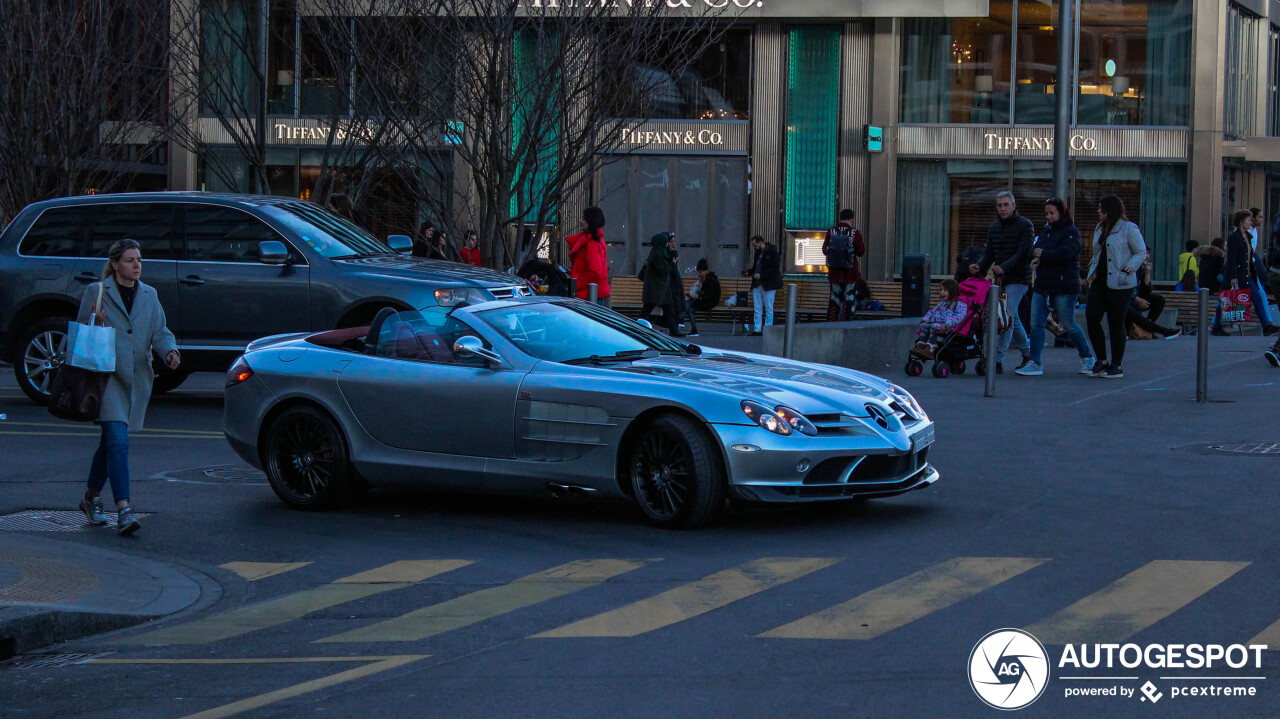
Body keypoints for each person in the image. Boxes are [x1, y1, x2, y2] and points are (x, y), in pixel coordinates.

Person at [75, 239, 180, 536]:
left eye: (139, 260)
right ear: (116, 264)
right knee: (119, 441)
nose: (137, 265)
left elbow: (160, 331)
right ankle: (124, 509)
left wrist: (170, 352)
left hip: (134, 379)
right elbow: (82, 334)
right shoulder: (97, 292)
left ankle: (90, 498)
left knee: (110, 442)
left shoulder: (149, 294)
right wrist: (96, 322)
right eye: (130, 260)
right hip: (105, 377)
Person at [1016, 198, 1095, 377]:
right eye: (1047, 213)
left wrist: (1044, 254)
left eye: (1052, 213)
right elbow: (1035, 249)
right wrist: (1036, 255)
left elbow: (1067, 253)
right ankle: (1035, 362)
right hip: (1043, 284)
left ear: (1061, 212)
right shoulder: (1046, 231)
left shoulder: (1071, 231)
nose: (1049, 217)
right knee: (1036, 324)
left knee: (1068, 324)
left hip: (1064, 285)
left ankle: (1087, 357)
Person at [1083, 195, 1147, 379]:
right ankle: (1101, 360)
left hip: (1120, 282)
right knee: (1092, 317)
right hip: (1100, 280)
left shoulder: (1128, 228)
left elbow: (1140, 251)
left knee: (1115, 322)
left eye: (1100, 208)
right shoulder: (1100, 228)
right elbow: (1098, 252)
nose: (1097, 211)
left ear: (1108, 210)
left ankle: (1116, 364)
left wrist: (1129, 268)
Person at [971, 191, 1034, 373]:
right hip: (1001, 279)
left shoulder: (1025, 226)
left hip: (1019, 279)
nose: (1003, 208)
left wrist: (1004, 267)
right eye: (999, 205)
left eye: (1006, 204)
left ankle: (996, 360)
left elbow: (1023, 253)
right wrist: (979, 267)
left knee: (1005, 319)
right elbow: (989, 253)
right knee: (1011, 318)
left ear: (1014, 206)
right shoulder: (995, 227)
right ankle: (1028, 353)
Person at [822, 208, 866, 321]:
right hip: (850, 273)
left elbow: (824, 250)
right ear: (851, 219)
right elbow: (861, 251)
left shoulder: (831, 232)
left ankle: (830, 324)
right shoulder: (855, 233)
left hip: (834, 274)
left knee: (834, 299)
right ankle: (845, 324)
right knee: (848, 299)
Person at [1217, 210, 1255, 336]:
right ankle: (1217, 326)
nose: (1250, 222)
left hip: (1245, 273)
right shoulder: (1234, 237)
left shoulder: (1248, 237)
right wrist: (1233, 276)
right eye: (1248, 220)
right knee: (1225, 298)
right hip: (1235, 274)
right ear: (1241, 222)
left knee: (1226, 299)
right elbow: (1232, 257)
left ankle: (1217, 325)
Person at [565, 206, 611, 306]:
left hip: (588, 297)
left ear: (590, 221)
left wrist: (575, 284)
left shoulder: (591, 244)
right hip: (590, 295)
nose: (580, 221)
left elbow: (594, 272)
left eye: (583, 218)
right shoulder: (595, 241)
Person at [1126, 255, 1181, 339]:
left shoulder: (1141, 270)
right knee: (1135, 307)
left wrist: (1147, 273)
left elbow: (1147, 291)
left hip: (1138, 297)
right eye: (1145, 254)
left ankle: (1148, 329)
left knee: (1158, 300)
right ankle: (1164, 331)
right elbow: (1123, 289)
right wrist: (1137, 299)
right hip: (1127, 299)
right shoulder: (1128, 266)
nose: (1147, 257)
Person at [911, 279, 967, 359]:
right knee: (925, 326)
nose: (942, 292)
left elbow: (959, 317)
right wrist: (925, 319)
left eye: (945, 290)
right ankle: (921, 346)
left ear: (952, 291)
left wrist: (947, 323)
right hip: (938, 323)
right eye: (940, 290)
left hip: (948, 326)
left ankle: (931, 348)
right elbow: (932, 312)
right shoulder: (942, 304)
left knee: (933, 327)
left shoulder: (959, 304)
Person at [641, 232, 682, 335]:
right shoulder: (657, 254)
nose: (667, 244)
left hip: (660, 289)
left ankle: (674, 331)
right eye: (667, 242)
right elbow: (663, 270)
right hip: (657, 289)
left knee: (668, 310)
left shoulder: (658, 252)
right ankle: (638, 327)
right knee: (647, 310)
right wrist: (673, 263)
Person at [742, 235, 782, 336]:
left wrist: (761, 275)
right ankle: (758, 329)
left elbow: (775, 269)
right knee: (758, 308)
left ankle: (765, 329)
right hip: (759, 284)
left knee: (768, 308)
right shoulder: (759, 253)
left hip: (768, 284)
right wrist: (749, 272)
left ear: (760, 243)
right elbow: (756, 267)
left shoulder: (772, 253)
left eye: (755, 245)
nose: (754, 247)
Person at [1249, 208, 1279, 335]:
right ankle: (1267, 325)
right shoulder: (1243, 233)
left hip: (1255, 270)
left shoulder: (1254, 231)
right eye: (1260, 217)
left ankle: (1268, 324)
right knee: (1258, 296)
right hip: (1246, 271)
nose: (1262, 219)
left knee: (1260, 296)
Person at [681, 258, 721, 337]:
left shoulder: (710, 280)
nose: (698, 274)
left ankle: (685, 323)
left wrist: (697, 296)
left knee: (690, 307)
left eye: (699, 272)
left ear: (705, 271)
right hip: (706, 300)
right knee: (688, 303)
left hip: (710, 302)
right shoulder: (707, 278)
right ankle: (682, 321)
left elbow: (707, 295)